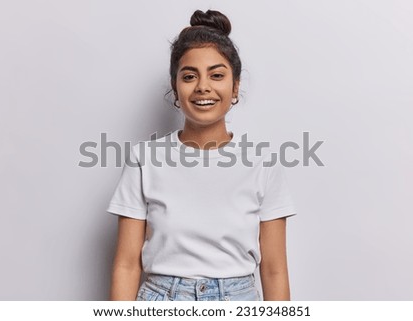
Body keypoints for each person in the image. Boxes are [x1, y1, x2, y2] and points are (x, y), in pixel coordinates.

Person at [107, 9, 297, 301]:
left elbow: (273, 270)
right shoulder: (144, 159)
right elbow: (127, 264)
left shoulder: (264, 162)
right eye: (189, 76)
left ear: (235, 87)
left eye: (217, 75)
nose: (203, 87)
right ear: (175, 88)